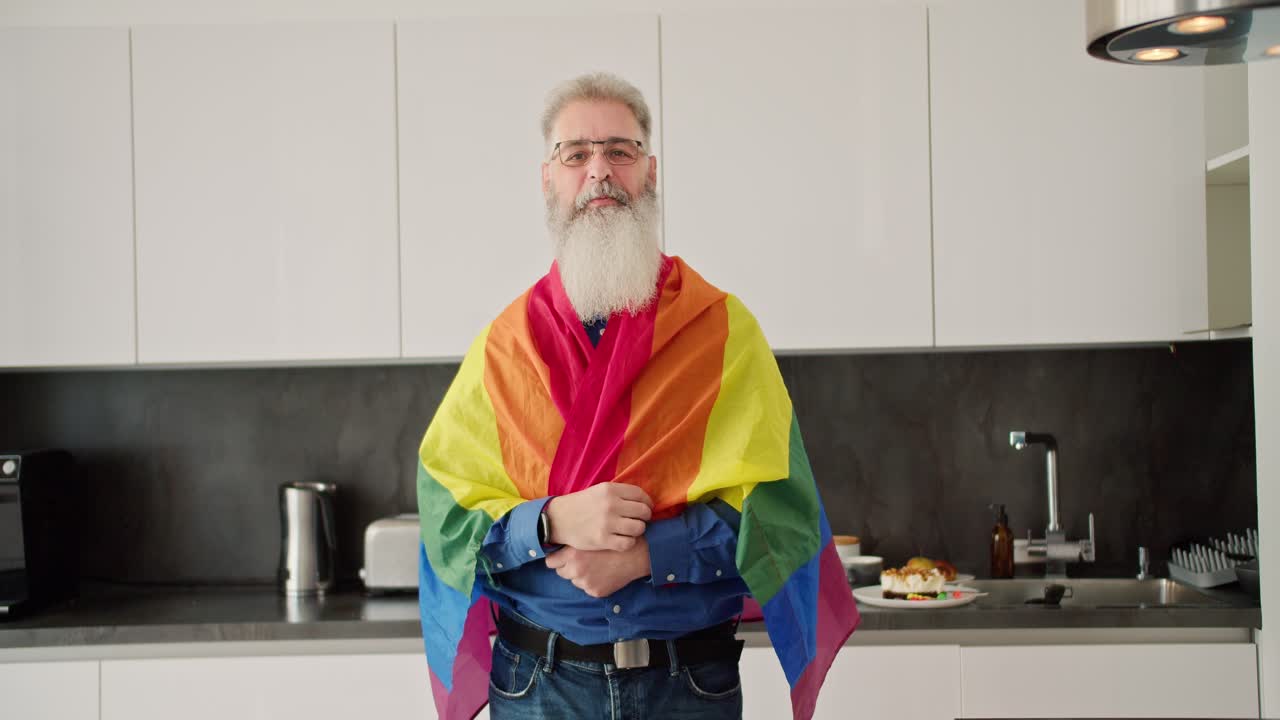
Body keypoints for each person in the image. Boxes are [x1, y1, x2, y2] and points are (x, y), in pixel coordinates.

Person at [415, 72, 858, 720]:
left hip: (687, 685)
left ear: (650, 172)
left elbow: (781, 518)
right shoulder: (502, 351)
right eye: (576, 154)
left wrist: (649, 554)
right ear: (548, 178)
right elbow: (448, 521)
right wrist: (552, 521)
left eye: (619, 151)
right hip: (539, 687)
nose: (599, 170)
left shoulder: (724, 333)